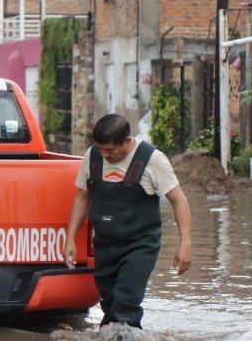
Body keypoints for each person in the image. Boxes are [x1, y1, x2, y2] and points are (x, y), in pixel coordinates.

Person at [63, 114, 192, 329]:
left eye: (111, 151)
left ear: (127, 141)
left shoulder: (152, 159)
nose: (105, 155)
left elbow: (179, 201)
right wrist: (70, 239)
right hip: (105, 243)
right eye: (100, 149)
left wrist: (185, 243)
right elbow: (83, 197)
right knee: (110, 302)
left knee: (126, 302)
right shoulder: (93, 156)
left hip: (140, 244)